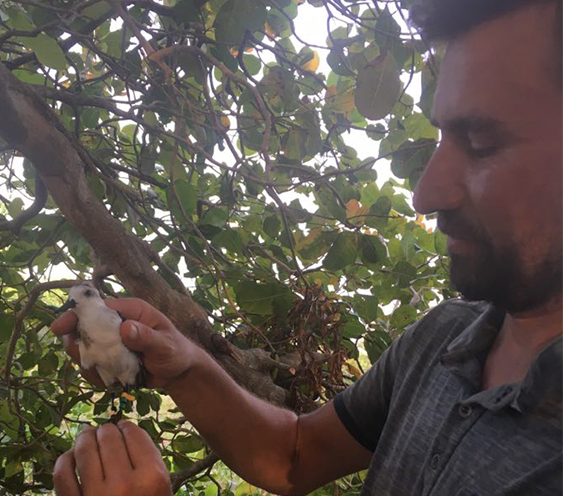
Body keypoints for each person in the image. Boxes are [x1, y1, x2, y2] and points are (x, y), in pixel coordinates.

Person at [51, 0, 562, 494]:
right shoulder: (448, 338)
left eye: (480, 142)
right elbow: (294, 456)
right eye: (440, 140)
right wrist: (184, 365)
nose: (425, 194)